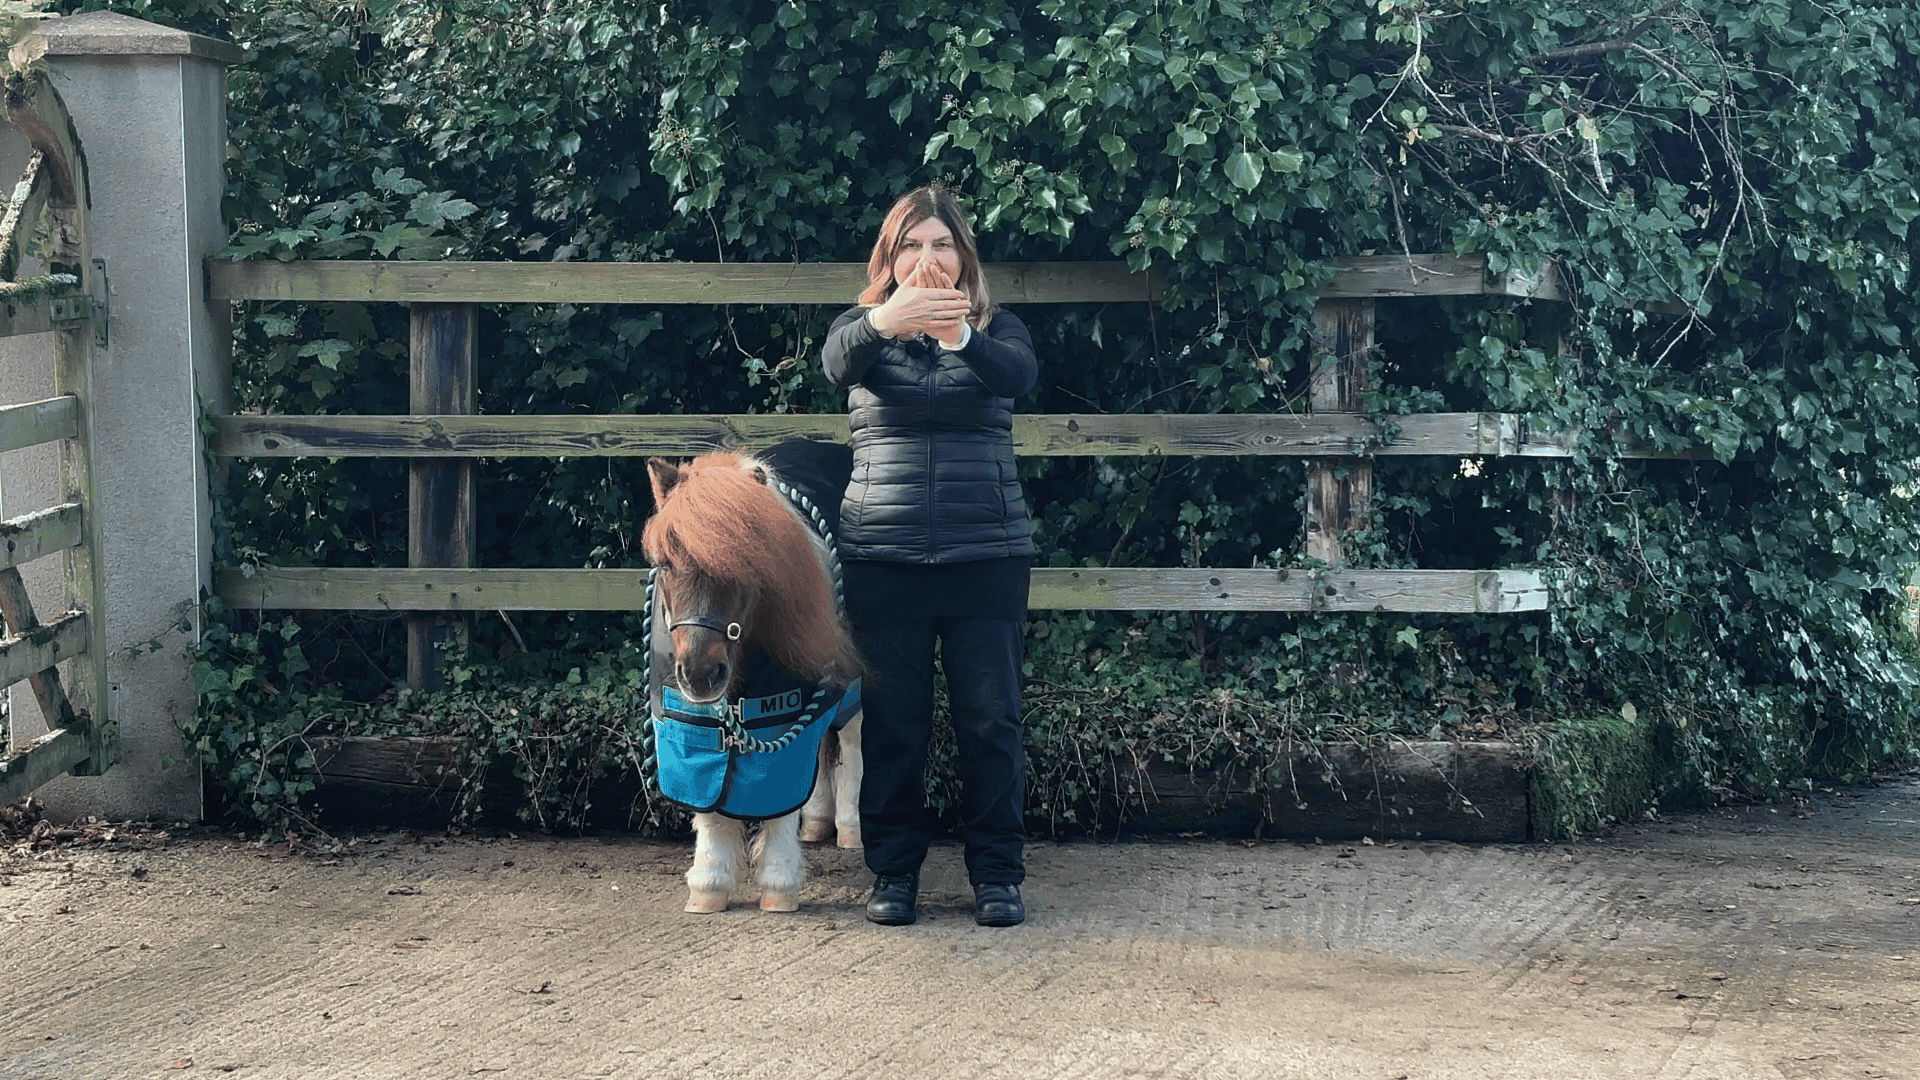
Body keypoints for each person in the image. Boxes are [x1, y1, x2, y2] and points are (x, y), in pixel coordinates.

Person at [821, 184, 1036, 928]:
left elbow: (1017, 376)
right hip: (885, 554)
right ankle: (894, 874)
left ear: (963, 255)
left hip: (988, 553)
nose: (928, 257)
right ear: (890, 258)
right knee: (893, 724)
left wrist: (959, 335)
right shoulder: (861, 328)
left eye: (942, 244)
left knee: (992, 721)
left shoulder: (1000, 329)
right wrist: (888, 319)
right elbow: (836, 364)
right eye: (911, 245)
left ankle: (998, 875)